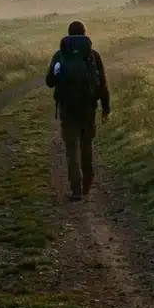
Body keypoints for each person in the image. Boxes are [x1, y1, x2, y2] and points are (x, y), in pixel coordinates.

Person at [45, 20, 110, 201]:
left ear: (68, 34)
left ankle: (76, 189)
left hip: (68, 108)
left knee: (71, 147)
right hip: (88, 107)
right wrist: (106, 107)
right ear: (84, 33)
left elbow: (49, 81)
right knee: (86, 143)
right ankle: (88, 182)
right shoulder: (93, 55)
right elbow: (102, 84)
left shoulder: (60, 55)